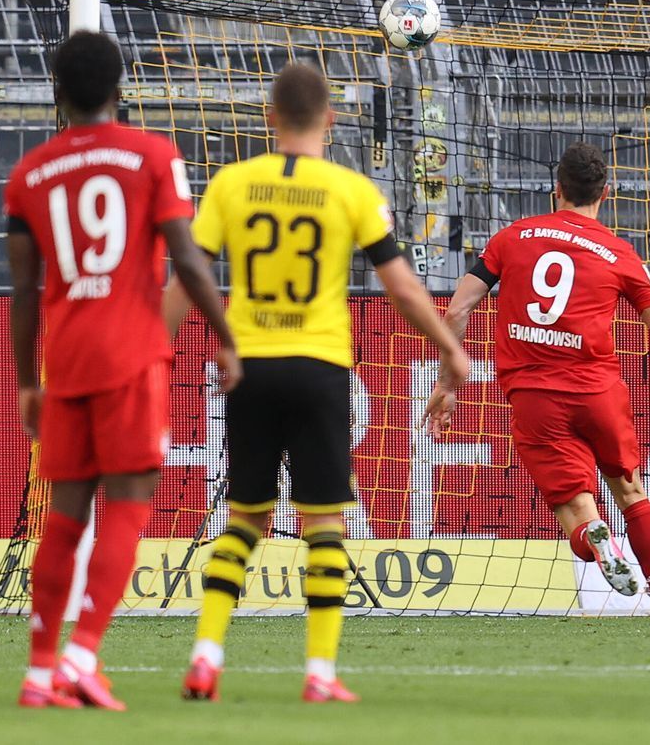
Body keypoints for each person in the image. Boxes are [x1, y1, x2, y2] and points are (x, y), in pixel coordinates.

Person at [168, 61, 470, 704]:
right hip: (320, 367)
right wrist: (451, 345)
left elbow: (187, 279)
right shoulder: (350, 191)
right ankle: (320, 673)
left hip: (247, 366)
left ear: (270, 118)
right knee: (324, 524)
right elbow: (402, 288)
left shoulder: (231, 184)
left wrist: (150, 347)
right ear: (331, 121)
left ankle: (205, 655)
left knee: (245, 516)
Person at [5, 30, 242, 711]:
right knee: (129, 511)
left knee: (66, 519)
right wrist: (226, 339)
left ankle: (40, 670)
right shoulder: (153, 156)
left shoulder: (29, 175)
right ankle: (83, 656)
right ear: (120, 88)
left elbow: (24, 293)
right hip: (132, 354)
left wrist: (28, 381)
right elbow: (189, 261)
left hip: (68, 357)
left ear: (58, 91)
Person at [424, 142, 650, 637]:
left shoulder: (512, 237)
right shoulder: (620, 253)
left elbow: (457, 310)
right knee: (630, 491)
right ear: (605, 194)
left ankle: (593, 537)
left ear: (555, 190)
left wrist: (447, 385)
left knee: (575, 506)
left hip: (536, 395)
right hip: (598, 390)